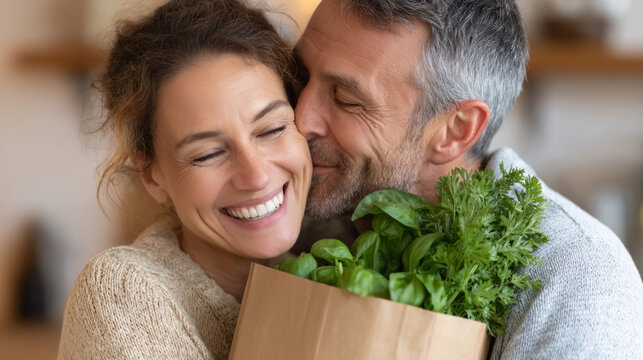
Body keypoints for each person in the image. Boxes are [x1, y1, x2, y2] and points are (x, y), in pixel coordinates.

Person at [292, 0, 643, 358]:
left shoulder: (574, 280)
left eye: (346, 99)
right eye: (300, 77)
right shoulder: (300, 226)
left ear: (454, 131)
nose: (300, 120)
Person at [57, 0, 311, 358]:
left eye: (272, 128)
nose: (256, 175)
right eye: (207, 154)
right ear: (152, 176)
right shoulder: (123, 294)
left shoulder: (336, 250)